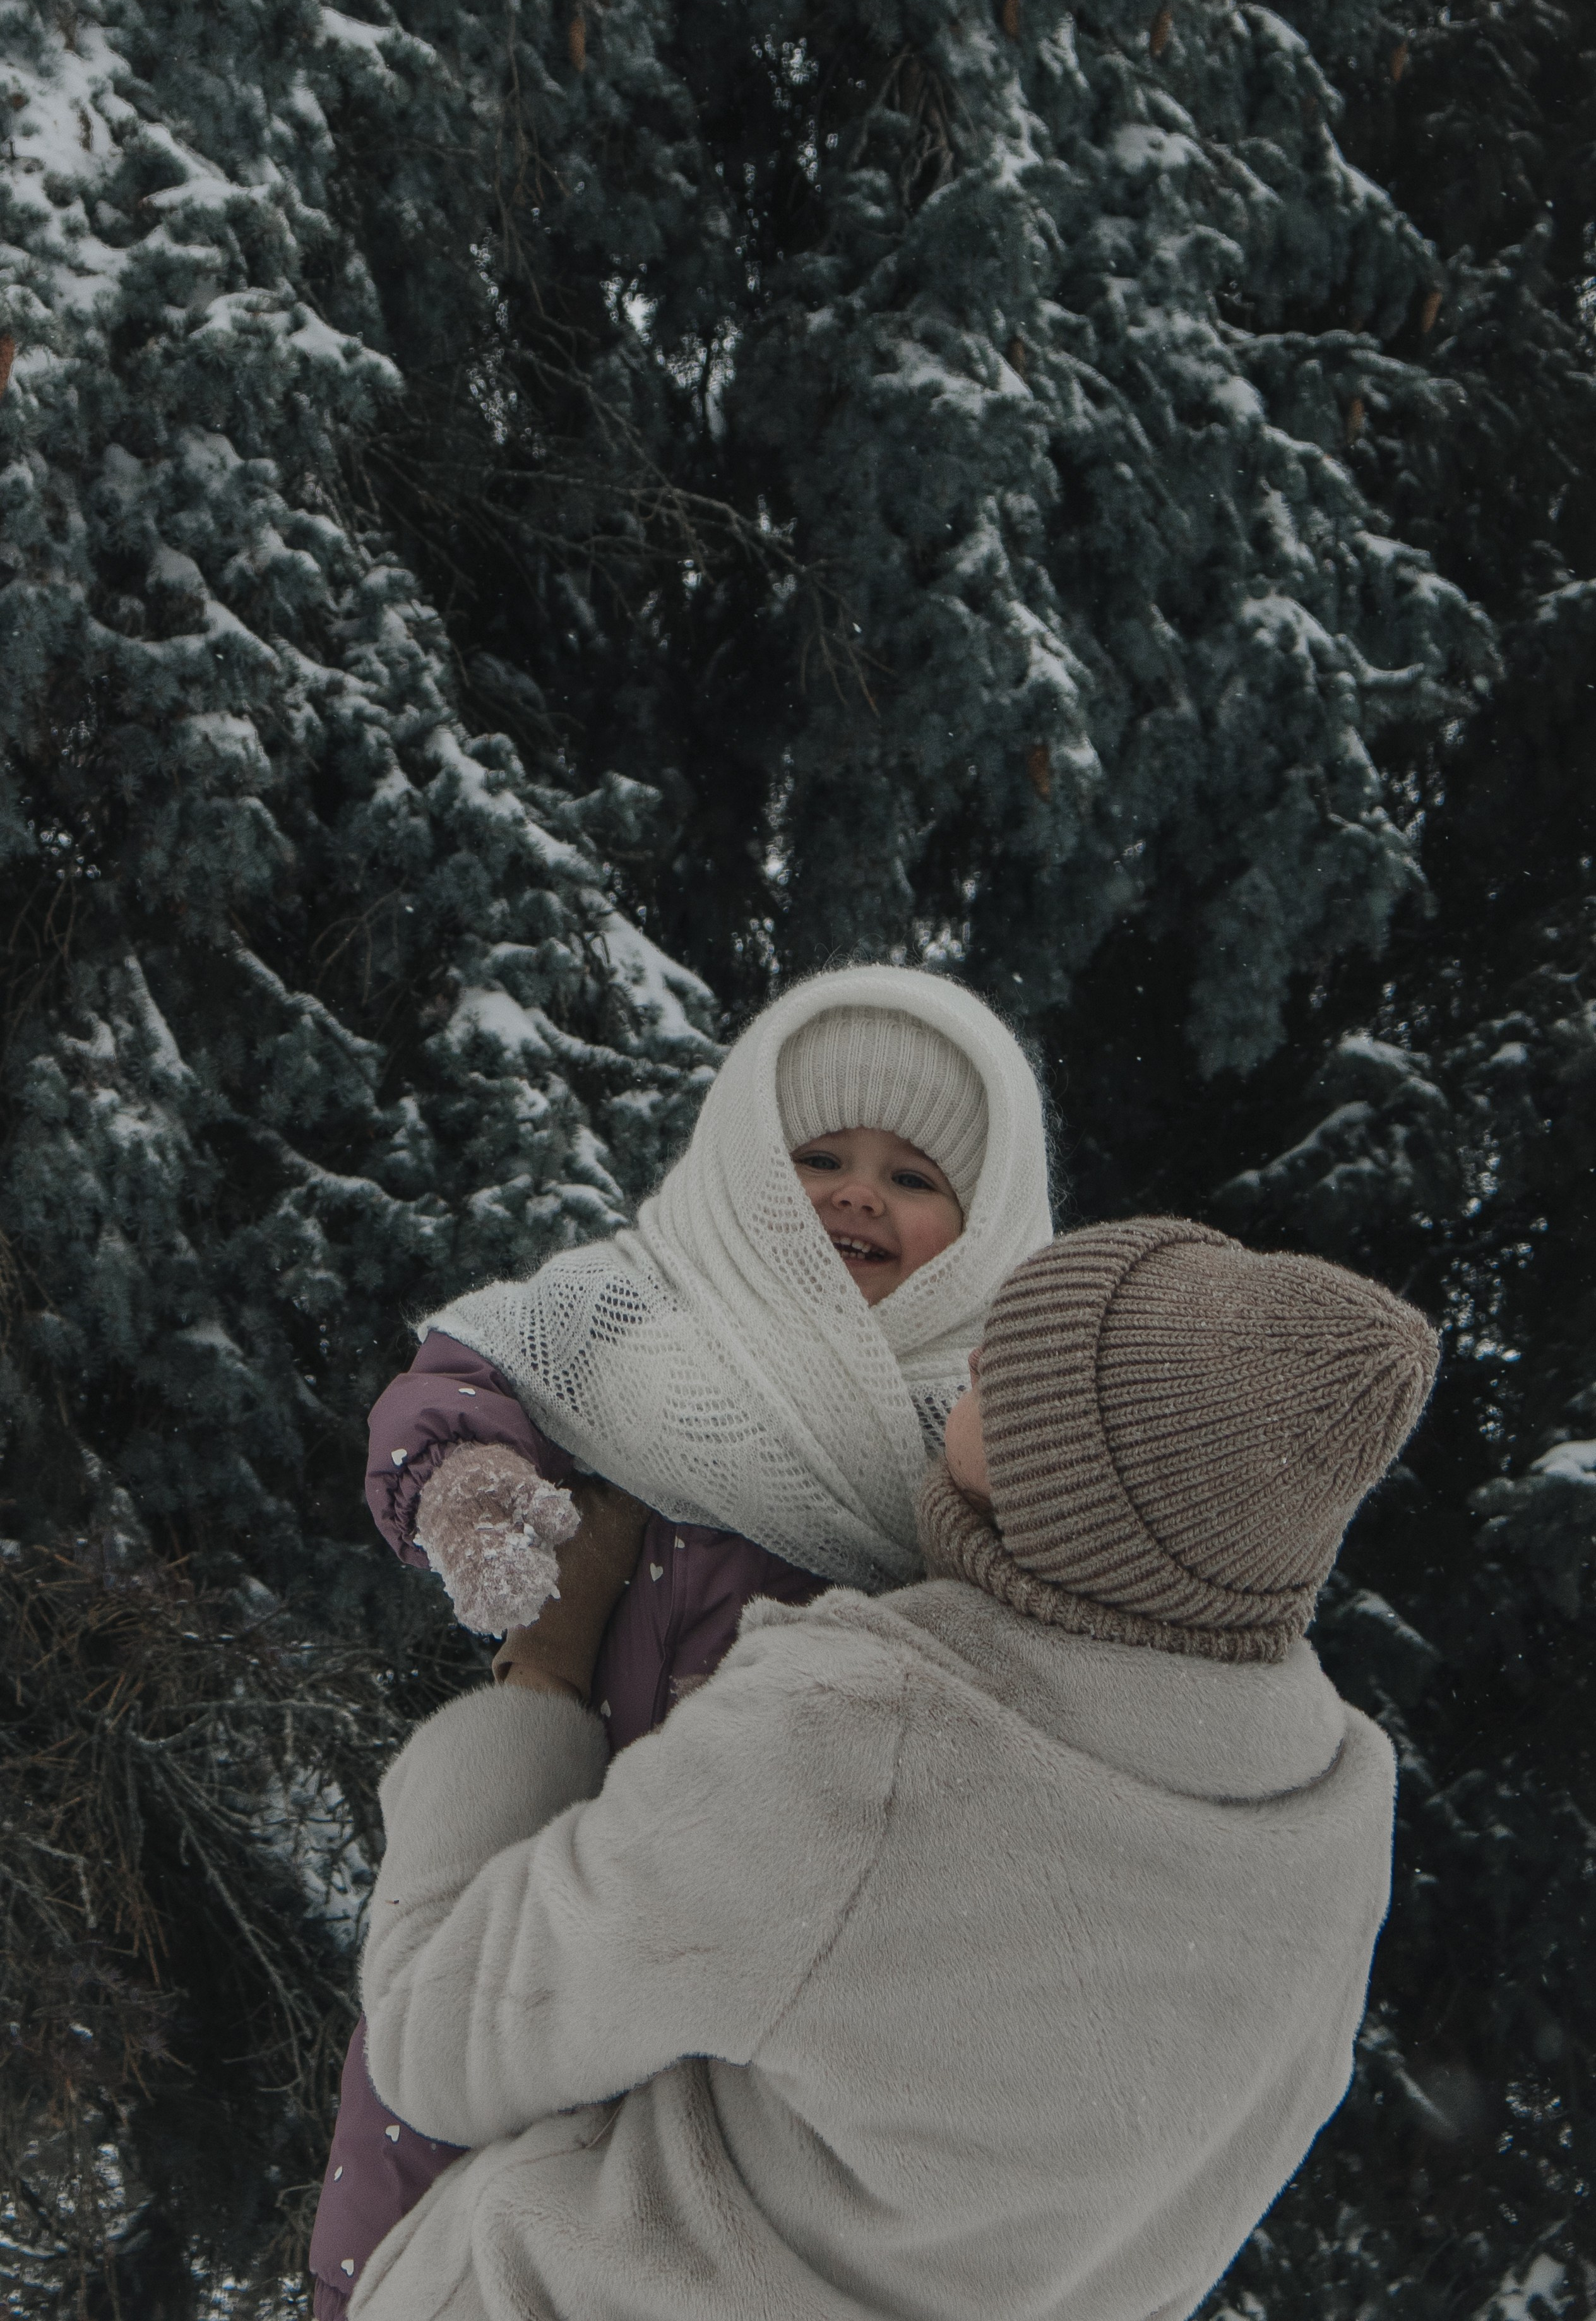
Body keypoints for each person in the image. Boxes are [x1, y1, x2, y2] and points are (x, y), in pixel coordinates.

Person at [342, 1215, 1436, 2321]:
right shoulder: (1335, 1825)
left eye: (1010, 1371)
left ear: (1070, 1483)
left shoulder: (857, 1743)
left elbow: (439, 2042)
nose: (966, 1358)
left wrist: (542, 1678)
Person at [308, 964, 1054, 2315]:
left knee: (654, 2195)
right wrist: (470, 1487)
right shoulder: (646, 1307)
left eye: (913, 1176)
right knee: (430, 2086)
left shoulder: (990, 1421)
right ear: (740, 1167)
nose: (854, 1195)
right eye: (816, 1155)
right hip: (560, 1817)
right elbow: (471, 1376)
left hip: (781, 1891)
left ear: (989, 1218)